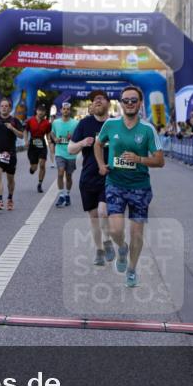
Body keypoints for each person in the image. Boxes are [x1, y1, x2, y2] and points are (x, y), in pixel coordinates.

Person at [93, 85, 164, 288]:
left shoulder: (148, 129)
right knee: (115, 230)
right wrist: (100, 164)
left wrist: (139, 159)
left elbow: (160, 161)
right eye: (126, 100)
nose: (130, 103)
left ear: (140, 104)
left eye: (134, 100)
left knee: (137, 234)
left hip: (140, 187)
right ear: (121, 103)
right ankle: (121, 248)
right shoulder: (110, 124)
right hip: (115, 183)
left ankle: (131, 269)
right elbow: (98, 144)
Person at [69, 90, 115, 266]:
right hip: (88, 177)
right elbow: (71, 149)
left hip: (109, 176)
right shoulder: (84, 124)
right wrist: (82, 143)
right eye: (94, 100)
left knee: (104, 211)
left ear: (108, 103)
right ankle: (99, 250)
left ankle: (107, 240)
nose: (97, 102)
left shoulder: (115, 124)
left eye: (101, 99)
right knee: (94, 217)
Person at [0, 98, 24, 211]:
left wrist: (12, 128)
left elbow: (21, 136)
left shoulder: (15, 121)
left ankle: (10, 198)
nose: (4, 108)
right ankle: (0, 201)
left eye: (6, 106)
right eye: (2, 106)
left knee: (10, 179)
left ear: (10, 108)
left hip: (10, 154)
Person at [51, 101, 79, 207]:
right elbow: (52, 133)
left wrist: (72, 137)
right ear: (61, 110)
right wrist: (55, 139)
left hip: (71, 152)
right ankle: (61, 195)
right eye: (64, 109)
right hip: (60, 152)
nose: (66, 111)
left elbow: (78, 136)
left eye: (67, 109)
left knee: (68, 176)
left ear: (70, 111)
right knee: (60, 172)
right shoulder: (56, 122)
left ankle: (67, 194)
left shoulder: (75, 123)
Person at [25, 103, 52, 193]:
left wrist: (49, 140)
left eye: (42, 111)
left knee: (42, 164)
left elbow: (48, 133)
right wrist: (26, 140)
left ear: (45, 113)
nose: (41, 113)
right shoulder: (30, 121)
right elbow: (25, 130)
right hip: (33, 144)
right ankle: (32, 168)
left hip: (42, 144)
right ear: (36, 111)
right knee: (34, 167)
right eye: (39, 111)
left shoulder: (47, 123)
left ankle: (40, 184)